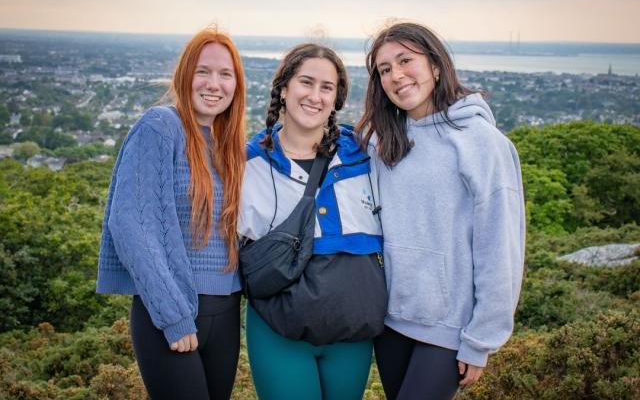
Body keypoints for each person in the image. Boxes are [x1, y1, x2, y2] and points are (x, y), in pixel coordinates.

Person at [356, 22, 526, 400]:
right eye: (384, 70)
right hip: (391, 322)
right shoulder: (383, 143)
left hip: (449, 328)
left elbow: (500, 247)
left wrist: (481, 338)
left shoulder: (481, 142)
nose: (396, 76)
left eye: (405, 61)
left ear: (435, 65)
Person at [96, 27, 246, 400]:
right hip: (170, 313)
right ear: (185, 76)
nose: (214, 84)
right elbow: (130, 223)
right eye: (203, 71)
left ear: (237, 84)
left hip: (226, 314)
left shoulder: (231, 146)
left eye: (225, 74)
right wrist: (174, 317)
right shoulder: (160, 127)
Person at [238, 43, 383, 400]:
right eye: (306, 82)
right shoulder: (246, 164)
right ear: (283, 88)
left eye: (327, 87)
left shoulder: (367, 153)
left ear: (337, 99)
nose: (315, 96)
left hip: (353, 331)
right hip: (279, 332)